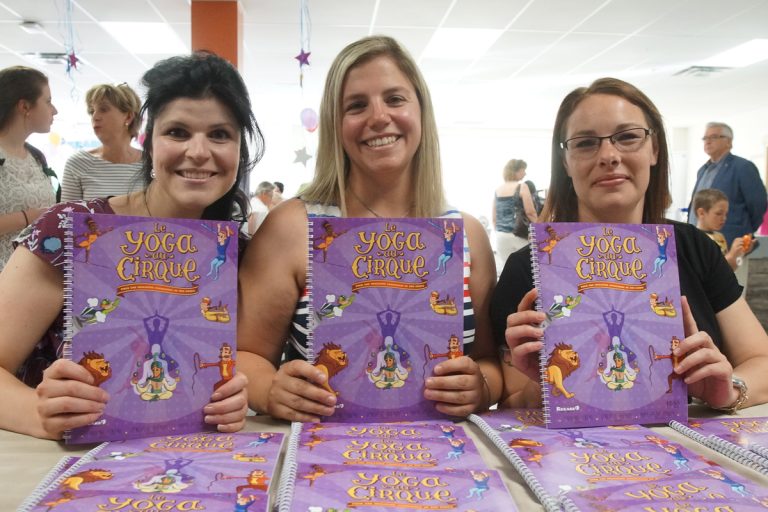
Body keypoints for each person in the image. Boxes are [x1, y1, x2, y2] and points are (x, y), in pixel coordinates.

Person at [0, 51, 264, 439]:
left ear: (239, 149)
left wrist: (235, 395)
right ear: (149, 141)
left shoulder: (236, 255)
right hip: (66, 471)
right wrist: (39, 415)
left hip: (191, 472)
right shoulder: (70, 231)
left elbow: (223, 367)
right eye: (177, 132)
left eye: (220, 134)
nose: (198, 151)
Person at [237, 35, 501, 423]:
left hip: (441, 465)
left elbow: (489, 362)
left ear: (421, 111)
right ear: (335, 124)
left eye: (395, 99)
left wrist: (481, 387)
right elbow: (244, 355)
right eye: (356, 105)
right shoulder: (294, 227)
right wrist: (271, 389)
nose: (378, 117)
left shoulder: (466, 234)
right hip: (321, 461)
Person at [490, 77, 768, 412]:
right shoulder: (530, 266)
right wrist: (548, 385)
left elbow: (761, 359)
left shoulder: (693, 247)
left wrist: (729, 389)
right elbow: (510, 403)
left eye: (627, 137)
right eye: (585, 143)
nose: (609, 155)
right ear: (565, 161)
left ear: (654, 149)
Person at [0, 66, 58, 271]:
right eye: (48, 101)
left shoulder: (36, 157)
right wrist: (31, 216)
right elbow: (38, 215)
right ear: (25, 106)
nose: (54, 110)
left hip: (29, 277)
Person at [686, 122, 766, 247]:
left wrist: (746, 229)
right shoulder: (703, 170)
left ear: (728, 142)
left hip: (730, 241)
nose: (707, 141)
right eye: (705, 138)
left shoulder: (743, 167)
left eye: (713, 137)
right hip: (699, 239)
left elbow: (758, 204)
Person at [60, 83, 143, 202]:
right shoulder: (78, 163)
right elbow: (67, 216)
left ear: (128, 117)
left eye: (103, 109)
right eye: (92, 111)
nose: (95, 116)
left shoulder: (151, 163)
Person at [492, 159, 537, 264]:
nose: (525, 173)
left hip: (501, 236)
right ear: (515, 171)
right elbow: (530, 212)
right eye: (523, 170)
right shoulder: (522, 186)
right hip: (519, 234)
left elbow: (494, 218)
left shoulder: (498, 190)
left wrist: (499, 232)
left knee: (507, 268)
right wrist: (540, 228)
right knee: (527, 268)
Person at [692, 188, 745, 270]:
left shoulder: (720, 237)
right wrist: (731, 255)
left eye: (725, 214)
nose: (724, 218)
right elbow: (711, 271)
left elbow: (730, 269)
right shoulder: (696, 238)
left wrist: (740, 253)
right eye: (719, 213)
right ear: (701, 213)